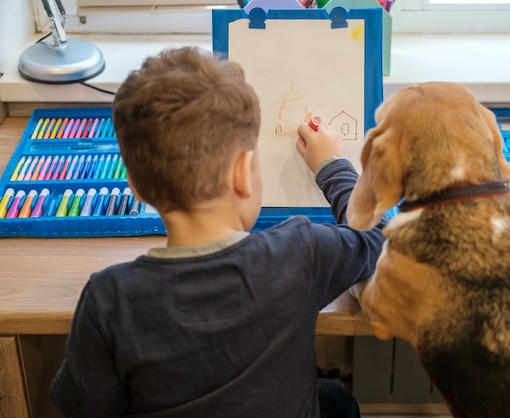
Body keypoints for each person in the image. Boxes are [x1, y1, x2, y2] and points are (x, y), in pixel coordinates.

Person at [50, 46, 386, 418]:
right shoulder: (301, 254)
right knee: (338, 403)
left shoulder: (107, 299)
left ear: (136, 187)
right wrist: (331, 165)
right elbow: (379, 235)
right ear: (243, 172)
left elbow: (84, 406)